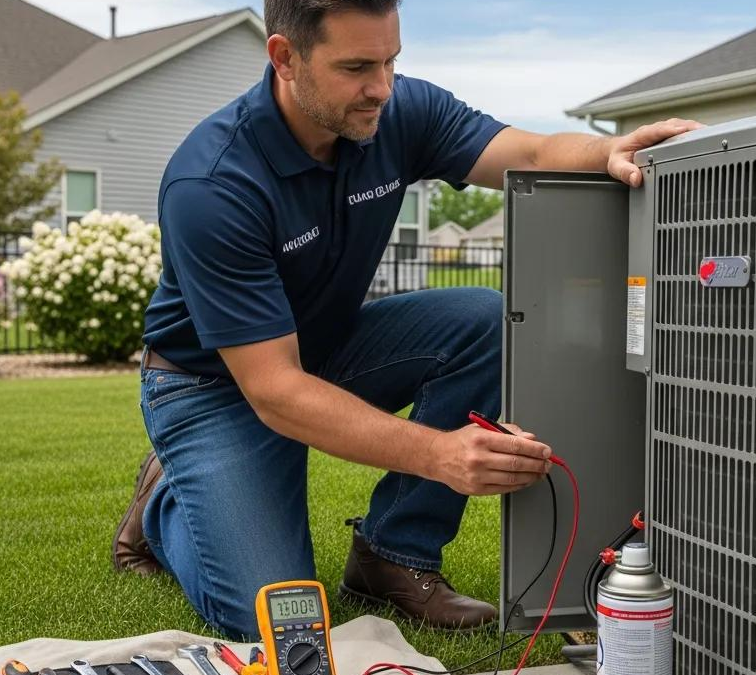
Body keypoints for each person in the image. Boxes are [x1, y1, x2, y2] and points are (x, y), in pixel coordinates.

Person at [112, 0, 701, 640]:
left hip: (325, 348)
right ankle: (167, 504)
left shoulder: (398, 112)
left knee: (482, 320)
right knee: (276, 617)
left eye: (392, 60)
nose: (382, 88)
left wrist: (607, 148)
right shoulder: (214, 182)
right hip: (212, 387)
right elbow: (275, 391)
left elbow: (528, 150)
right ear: (284, 58)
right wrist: (441, 455)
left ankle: (394, 556)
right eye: (358, 66)